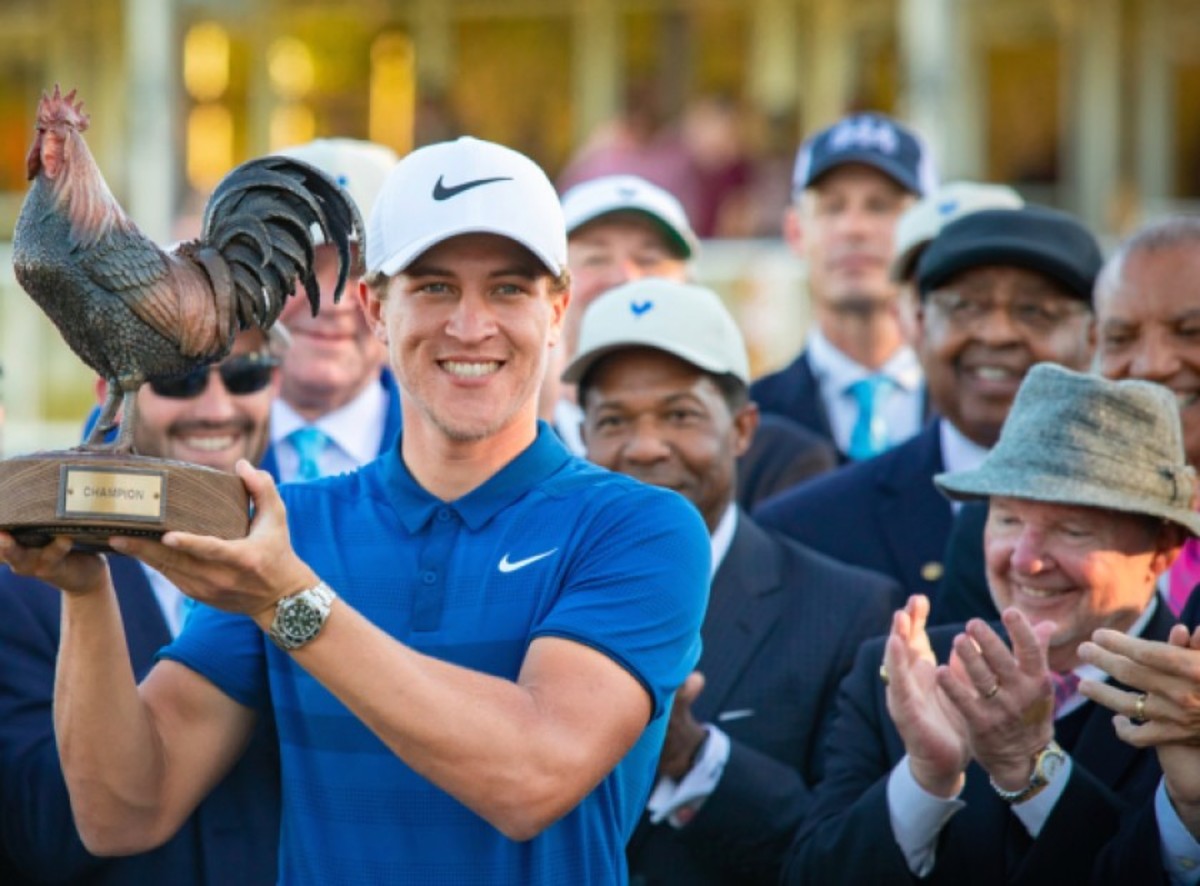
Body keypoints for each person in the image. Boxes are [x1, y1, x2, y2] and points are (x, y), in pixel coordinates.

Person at [0, 136, 710, 885]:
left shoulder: (640, 529)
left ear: (557, 308)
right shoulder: (289, 526)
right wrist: (84, 590)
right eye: (433, 287)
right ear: (374, 307)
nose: (470, 326)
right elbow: (122, 812)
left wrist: (288, 600)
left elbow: (530, 777)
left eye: (508, 289)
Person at [784, 362, 1196, 884]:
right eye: (1006, 519)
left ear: (1163, 550)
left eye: (1072, 530)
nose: (1026, 560)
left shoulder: (1185, 700)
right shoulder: (911, 673)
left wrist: (1032, 769)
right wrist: (926, 780)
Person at [567, 277, 896, 884]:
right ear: (582, 437)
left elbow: (851, 852)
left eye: (679, 414)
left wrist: (694, 756)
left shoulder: (848, 612)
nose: (644, 447)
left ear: (743, 429)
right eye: (614, 420)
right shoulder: (531, 591)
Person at [0, 328, 283, 885]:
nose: (216, 408)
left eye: (246, 374)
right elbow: (42, 835)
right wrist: (87, 599)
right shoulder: (23, 584)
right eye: (182, 379)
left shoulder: (315, 560)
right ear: (111, 392)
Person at [754, 205, 1099, 606]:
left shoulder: (1152, 527)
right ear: (916, 323)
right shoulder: (806, 530)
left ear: (1094, 335)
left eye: (1034, 311)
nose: (997, 334)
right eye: (967, 306)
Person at [937, 216, 1200, 624]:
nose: (1152, 365)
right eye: (1121, 338)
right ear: (1094, 343)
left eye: (1191, 332)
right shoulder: (1001, 528)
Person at [555, 173, 838, 507]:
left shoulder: (779, 463)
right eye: (595, 259)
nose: (625, 278)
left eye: (649, 260)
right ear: (554, 289)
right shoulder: (510, 456)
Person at [749, 112, 936, 461]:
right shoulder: (749, 419)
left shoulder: (978, 414)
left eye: (881, 206)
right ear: (795, 231)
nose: (854, 228)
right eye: (832, 207)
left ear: (927, 233)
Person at [266, 138, 402, 481]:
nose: (331, 303)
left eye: (362, 272)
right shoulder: (159, 437)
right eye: (301, 267)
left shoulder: (460, 458)